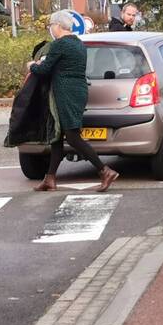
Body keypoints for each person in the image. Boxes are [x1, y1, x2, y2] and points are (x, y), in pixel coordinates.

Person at [28, 11, 119, 192]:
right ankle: (50, 178)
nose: (50, 29)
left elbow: (44, 70)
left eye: (51, 25)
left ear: (58, 26)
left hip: (65, 93)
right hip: (78, 91)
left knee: (72, 136)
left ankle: (105, 171)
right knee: (58, 135)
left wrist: (32, 66)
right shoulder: (79, 44)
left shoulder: (59, 45)